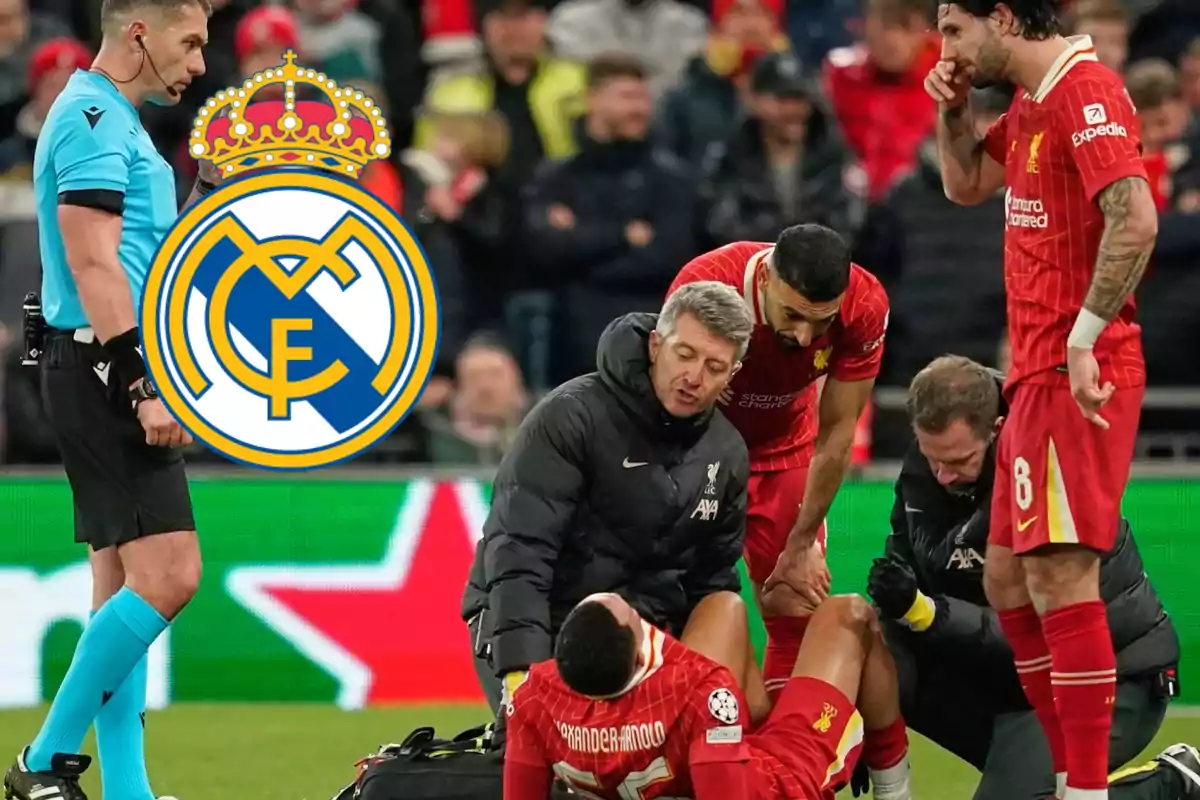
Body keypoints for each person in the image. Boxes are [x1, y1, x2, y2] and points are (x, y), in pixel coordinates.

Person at [928, 4, 1160, 798]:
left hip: (1078, 372)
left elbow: (1136, 219)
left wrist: (1086, 335)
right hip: (1034, 376)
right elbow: (964, 184)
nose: (948, 48)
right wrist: (951, 108)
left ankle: (1084, 788)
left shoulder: (1083, 92)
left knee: (1061, 576)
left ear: (1001, 16)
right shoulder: (1032, 104)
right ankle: (1073, 775)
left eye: (955, 31)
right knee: (1004, 581)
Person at [4, 0, 219, 797]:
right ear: (139, 31)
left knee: (120, 587)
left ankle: (126, 789)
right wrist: (142, 382)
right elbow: (94, 265)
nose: (198, 63)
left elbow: (142, 259)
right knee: (171, 577)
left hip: (93, 362)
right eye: (189, 42)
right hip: (104, 369)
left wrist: (207, 198)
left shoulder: (118, 124)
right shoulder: (94, 114)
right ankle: (42, 761)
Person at [868, 355, 1194, 800]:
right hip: (1009, 677)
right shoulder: (933, 461)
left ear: (998, 429)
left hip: (1112, 678)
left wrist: (926, 612)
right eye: (931, 458)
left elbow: (1041, 628)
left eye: (959, 460)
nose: (942, 475)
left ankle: (1171, 783)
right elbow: (906, 566)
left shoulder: (1052, 470)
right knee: (868, 640)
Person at [461, 281, 754, 714]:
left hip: (643, 641)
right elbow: (520, 551)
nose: (694, 377)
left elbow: (709, 585)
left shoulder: (726, 453)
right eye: (685, 355)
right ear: (656, 345)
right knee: (558, 773)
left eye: (714, 366)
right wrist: (521, 672)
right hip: (544, 622)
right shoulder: (570, 417)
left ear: (732, 375)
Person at [666, 222, 889, 699]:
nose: (806, 336)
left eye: (821, 321)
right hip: (699, 451)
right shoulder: (704, 286)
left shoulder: (865, 305)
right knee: (681, 607)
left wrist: (803, 540)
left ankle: (786, 759)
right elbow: (669, 405)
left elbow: (837, 431)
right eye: (792, 315)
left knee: (793, 599)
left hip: (785, 449)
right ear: (765, 278)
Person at [503, 589, 912, 799]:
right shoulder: (698, 688)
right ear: (641, 650)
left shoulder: (535, 696)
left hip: (677, 763)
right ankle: (897, 790)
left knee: (725, 605)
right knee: (848, 613)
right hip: (773, 780)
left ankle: (765, 716)